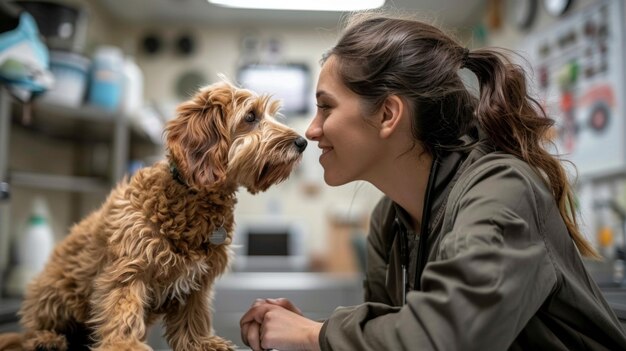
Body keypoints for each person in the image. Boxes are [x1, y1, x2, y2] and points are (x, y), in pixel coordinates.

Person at [240, 11, 626, 351]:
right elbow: (394, 333)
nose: (312, 129)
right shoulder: (389, 220)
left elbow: (443, 340)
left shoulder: (501, 188)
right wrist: (314, 331)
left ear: (388, 114)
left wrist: (315, 335)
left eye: (326, 107)